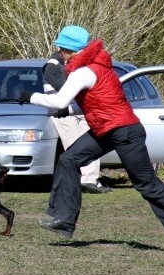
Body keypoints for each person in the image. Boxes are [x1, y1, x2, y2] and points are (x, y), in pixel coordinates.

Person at [19, 25, 164, 250]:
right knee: (69, 159)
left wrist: (30, 96)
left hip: (123, 131)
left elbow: (58, 100)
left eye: (63, 48)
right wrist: (68, 112)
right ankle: (63, 220)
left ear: (74, 50)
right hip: (107, 129)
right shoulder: (99, 68)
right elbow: (99, 103)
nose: (59, 52)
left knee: (146, 184)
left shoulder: (84, 72)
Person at [43, 51, 112, 194]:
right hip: (63, 113)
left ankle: (90, 181)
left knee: (92, 144)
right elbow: (67, 90)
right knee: (74, 146)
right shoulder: (52, 66)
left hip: (83, 109)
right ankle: (75, 182)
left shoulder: (81, 65)